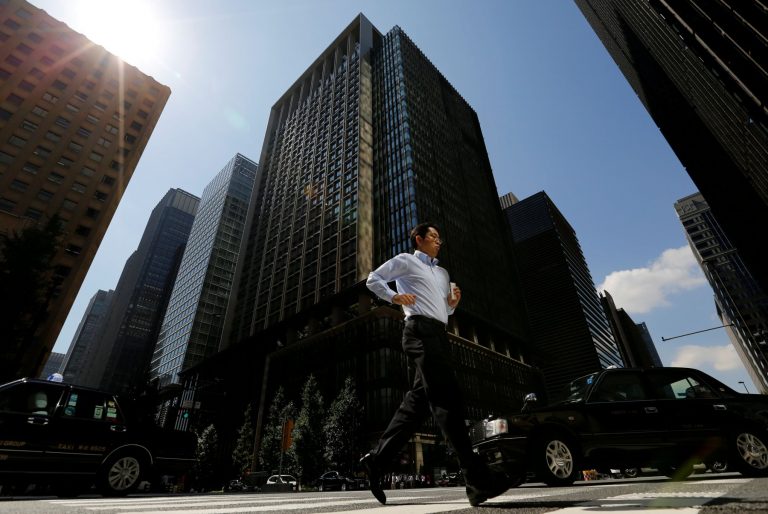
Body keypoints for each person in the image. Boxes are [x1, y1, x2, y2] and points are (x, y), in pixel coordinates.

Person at [360, 222, 508, 507]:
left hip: (439, 334)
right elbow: (373, 279)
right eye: (433, 237)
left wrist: (452, 303)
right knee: (447, 397)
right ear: (419, 239)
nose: (439, 241)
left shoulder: (442, 272)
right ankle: (476, 479)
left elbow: (442, 308)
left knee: (416, 404)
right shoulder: (405, 261)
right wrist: (394, 296)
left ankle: (377, 462)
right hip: (418, 331)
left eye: (440, 238)